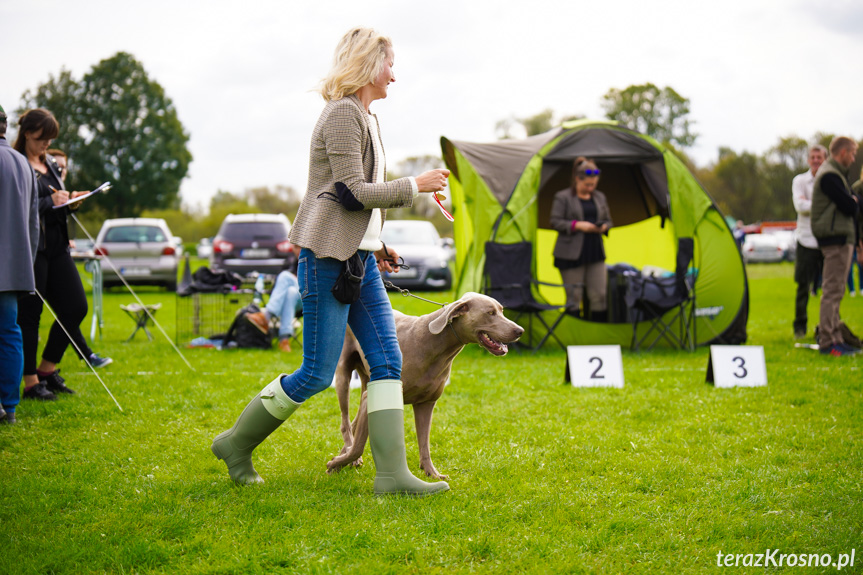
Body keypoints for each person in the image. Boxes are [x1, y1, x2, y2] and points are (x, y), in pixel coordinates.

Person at [211, 27, 451, 496]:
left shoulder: (366, 116)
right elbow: (350, 192)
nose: (395, 76)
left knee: (387, 361)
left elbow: (357, 202)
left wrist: (376, 242)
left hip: (358, 262)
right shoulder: (343, 113)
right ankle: (235, 444)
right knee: (317, 375)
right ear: (367, 64)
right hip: (325, 260)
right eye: (390, 65)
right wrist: (414, 186)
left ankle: (391, 476)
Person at [14, 109, 112, 402]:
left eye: (51, 139)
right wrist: (49, 200)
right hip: (33, 249)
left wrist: (71, 201)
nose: (47, 144)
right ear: (29, 132)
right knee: (30, 316)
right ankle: (30, 382)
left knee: (75, 307)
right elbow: (19, 206)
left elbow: (56, 196)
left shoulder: (51, 164)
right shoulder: (18, 164)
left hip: (58, 246)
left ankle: (47, 369)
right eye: (44, 138)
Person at [0, 104, 40, 425]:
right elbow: (33, 225)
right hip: (14, 269)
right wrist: (28, 263)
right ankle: (9, 407)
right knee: (9, 332)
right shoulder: (23, 164)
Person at [811, 136, 861, 356]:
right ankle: (828, 341)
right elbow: (849, 206)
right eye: (852, 154)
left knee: (837, 289)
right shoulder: (830, 175)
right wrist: (853, 201)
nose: (853, 159)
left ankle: (836, 337)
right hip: (835, 239)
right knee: (832, 291)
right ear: (842, 153)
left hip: (840, 238)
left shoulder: (836, 174)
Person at [549, 157, 614, 321]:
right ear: (578, 179)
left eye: (593, 185)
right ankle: (575, 337)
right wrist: (578, 225)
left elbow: (608, 220)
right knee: (574, 297)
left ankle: (598, 335)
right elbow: (555, 221)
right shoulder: (562, 197)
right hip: (570, 254)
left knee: (599, 295)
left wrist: (604, 227)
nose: (590, 188)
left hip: (595, 251)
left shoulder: (600, 197)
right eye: (587, 185)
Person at [791, 145, 827, 338]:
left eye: (819, 157)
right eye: (812, 157)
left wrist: (809, 203)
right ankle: (799, 327)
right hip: (805, 240)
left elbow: (809, 206)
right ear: (808, 160)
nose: (815, 160)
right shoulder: (800, 181)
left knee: (828, 289)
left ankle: (826, 327)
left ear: (825, 159)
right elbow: (800, 206)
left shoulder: (829, 181)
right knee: (803, 286)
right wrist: (822, 205)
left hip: (825, 241)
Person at [245, 245, 302, 352]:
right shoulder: (289, 262)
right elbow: (277, 287)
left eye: (300, 247)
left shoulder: (313, 261)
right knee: (291, 292)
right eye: (296, 247)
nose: (298, 250)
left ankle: (266, 316)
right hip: (290, 300)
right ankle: (284, 339)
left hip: (307, 299)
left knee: (285, 276)